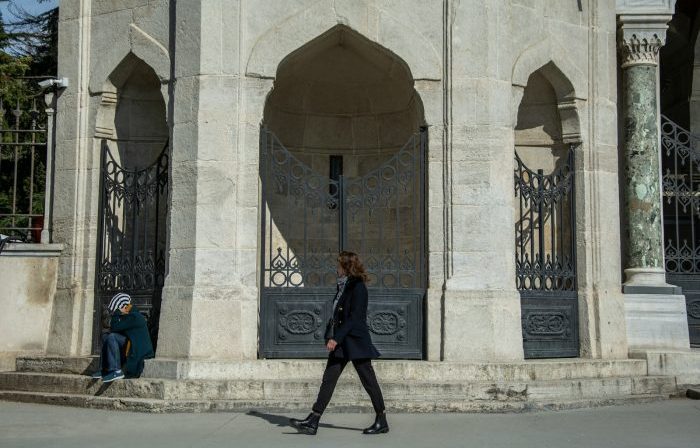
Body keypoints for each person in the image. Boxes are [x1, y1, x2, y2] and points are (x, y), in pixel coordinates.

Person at [290, 251, 389, 435]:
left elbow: (354, 318)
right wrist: (333, 335)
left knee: (369, 382)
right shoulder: (343, 286)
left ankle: (381, 420)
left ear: (346, 266)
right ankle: (313, 420)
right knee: (329, 379)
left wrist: (336, 338)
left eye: (338, 265)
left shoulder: (358, 287)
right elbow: (339, 315)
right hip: (343, 342)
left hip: (356, 341)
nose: (336, 269)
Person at [91, 293, 154, 382]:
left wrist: (117, 313)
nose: (115, 312)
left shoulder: (135, 317)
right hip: (129, 346)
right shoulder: (128, 316)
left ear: (124, 307)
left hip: (137, 353)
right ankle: (104, 369)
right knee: (106, 336)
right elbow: (115, 329)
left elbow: (114, 327)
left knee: (112, 337)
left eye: (118, 309)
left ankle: (116, 370)